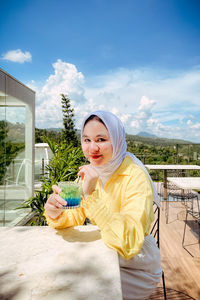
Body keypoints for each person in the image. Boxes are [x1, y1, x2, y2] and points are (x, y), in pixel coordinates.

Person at [44, 111, 162, 300]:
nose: (92, 148)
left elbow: (128, 242)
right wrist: (55, 211)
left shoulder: (135, 176)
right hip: (105, 252)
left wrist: (90, 194)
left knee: (73, 290)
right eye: (86, 140)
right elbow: (75, 215)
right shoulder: (93, 171)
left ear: (116, 139)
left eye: (101, 139)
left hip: (136, 264)